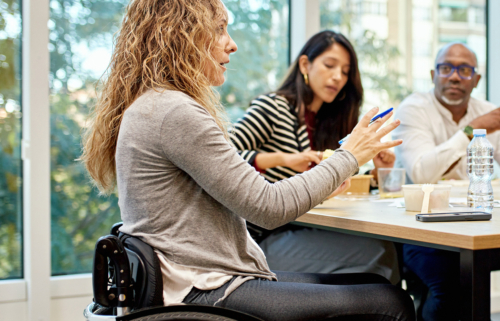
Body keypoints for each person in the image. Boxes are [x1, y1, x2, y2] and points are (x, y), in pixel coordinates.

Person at [79, 0, 413, 320]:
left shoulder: (155, 105)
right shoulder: (175, 112)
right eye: (220, 29)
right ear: (182, 34)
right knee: (391, 302)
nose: (232, 44)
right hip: (204, 289)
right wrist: (349, 155)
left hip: (197, 280)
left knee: (379, 285)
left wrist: (335, 171)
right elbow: (268, 207)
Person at [393, 42, 500, 321]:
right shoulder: (413, 109)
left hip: (480, 227)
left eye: (464, 70)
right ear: (433, 75)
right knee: (454, 284)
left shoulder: (489, 112)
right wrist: (472, 130)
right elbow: (421, 173)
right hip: (422, 233)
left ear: (476, 79)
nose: (454, 76)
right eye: (446, 68)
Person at [229, 30, 400, 284]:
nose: (337, 77)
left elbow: (344, 182)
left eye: (345, 71)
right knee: (379, 255)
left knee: (385, 247)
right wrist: (285, 159)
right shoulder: (273, 107)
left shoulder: (332, 122)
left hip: (309, 228)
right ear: (305, 65)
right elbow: (224, 157)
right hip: (259, 238)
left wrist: (377, 171)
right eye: (330, 65)